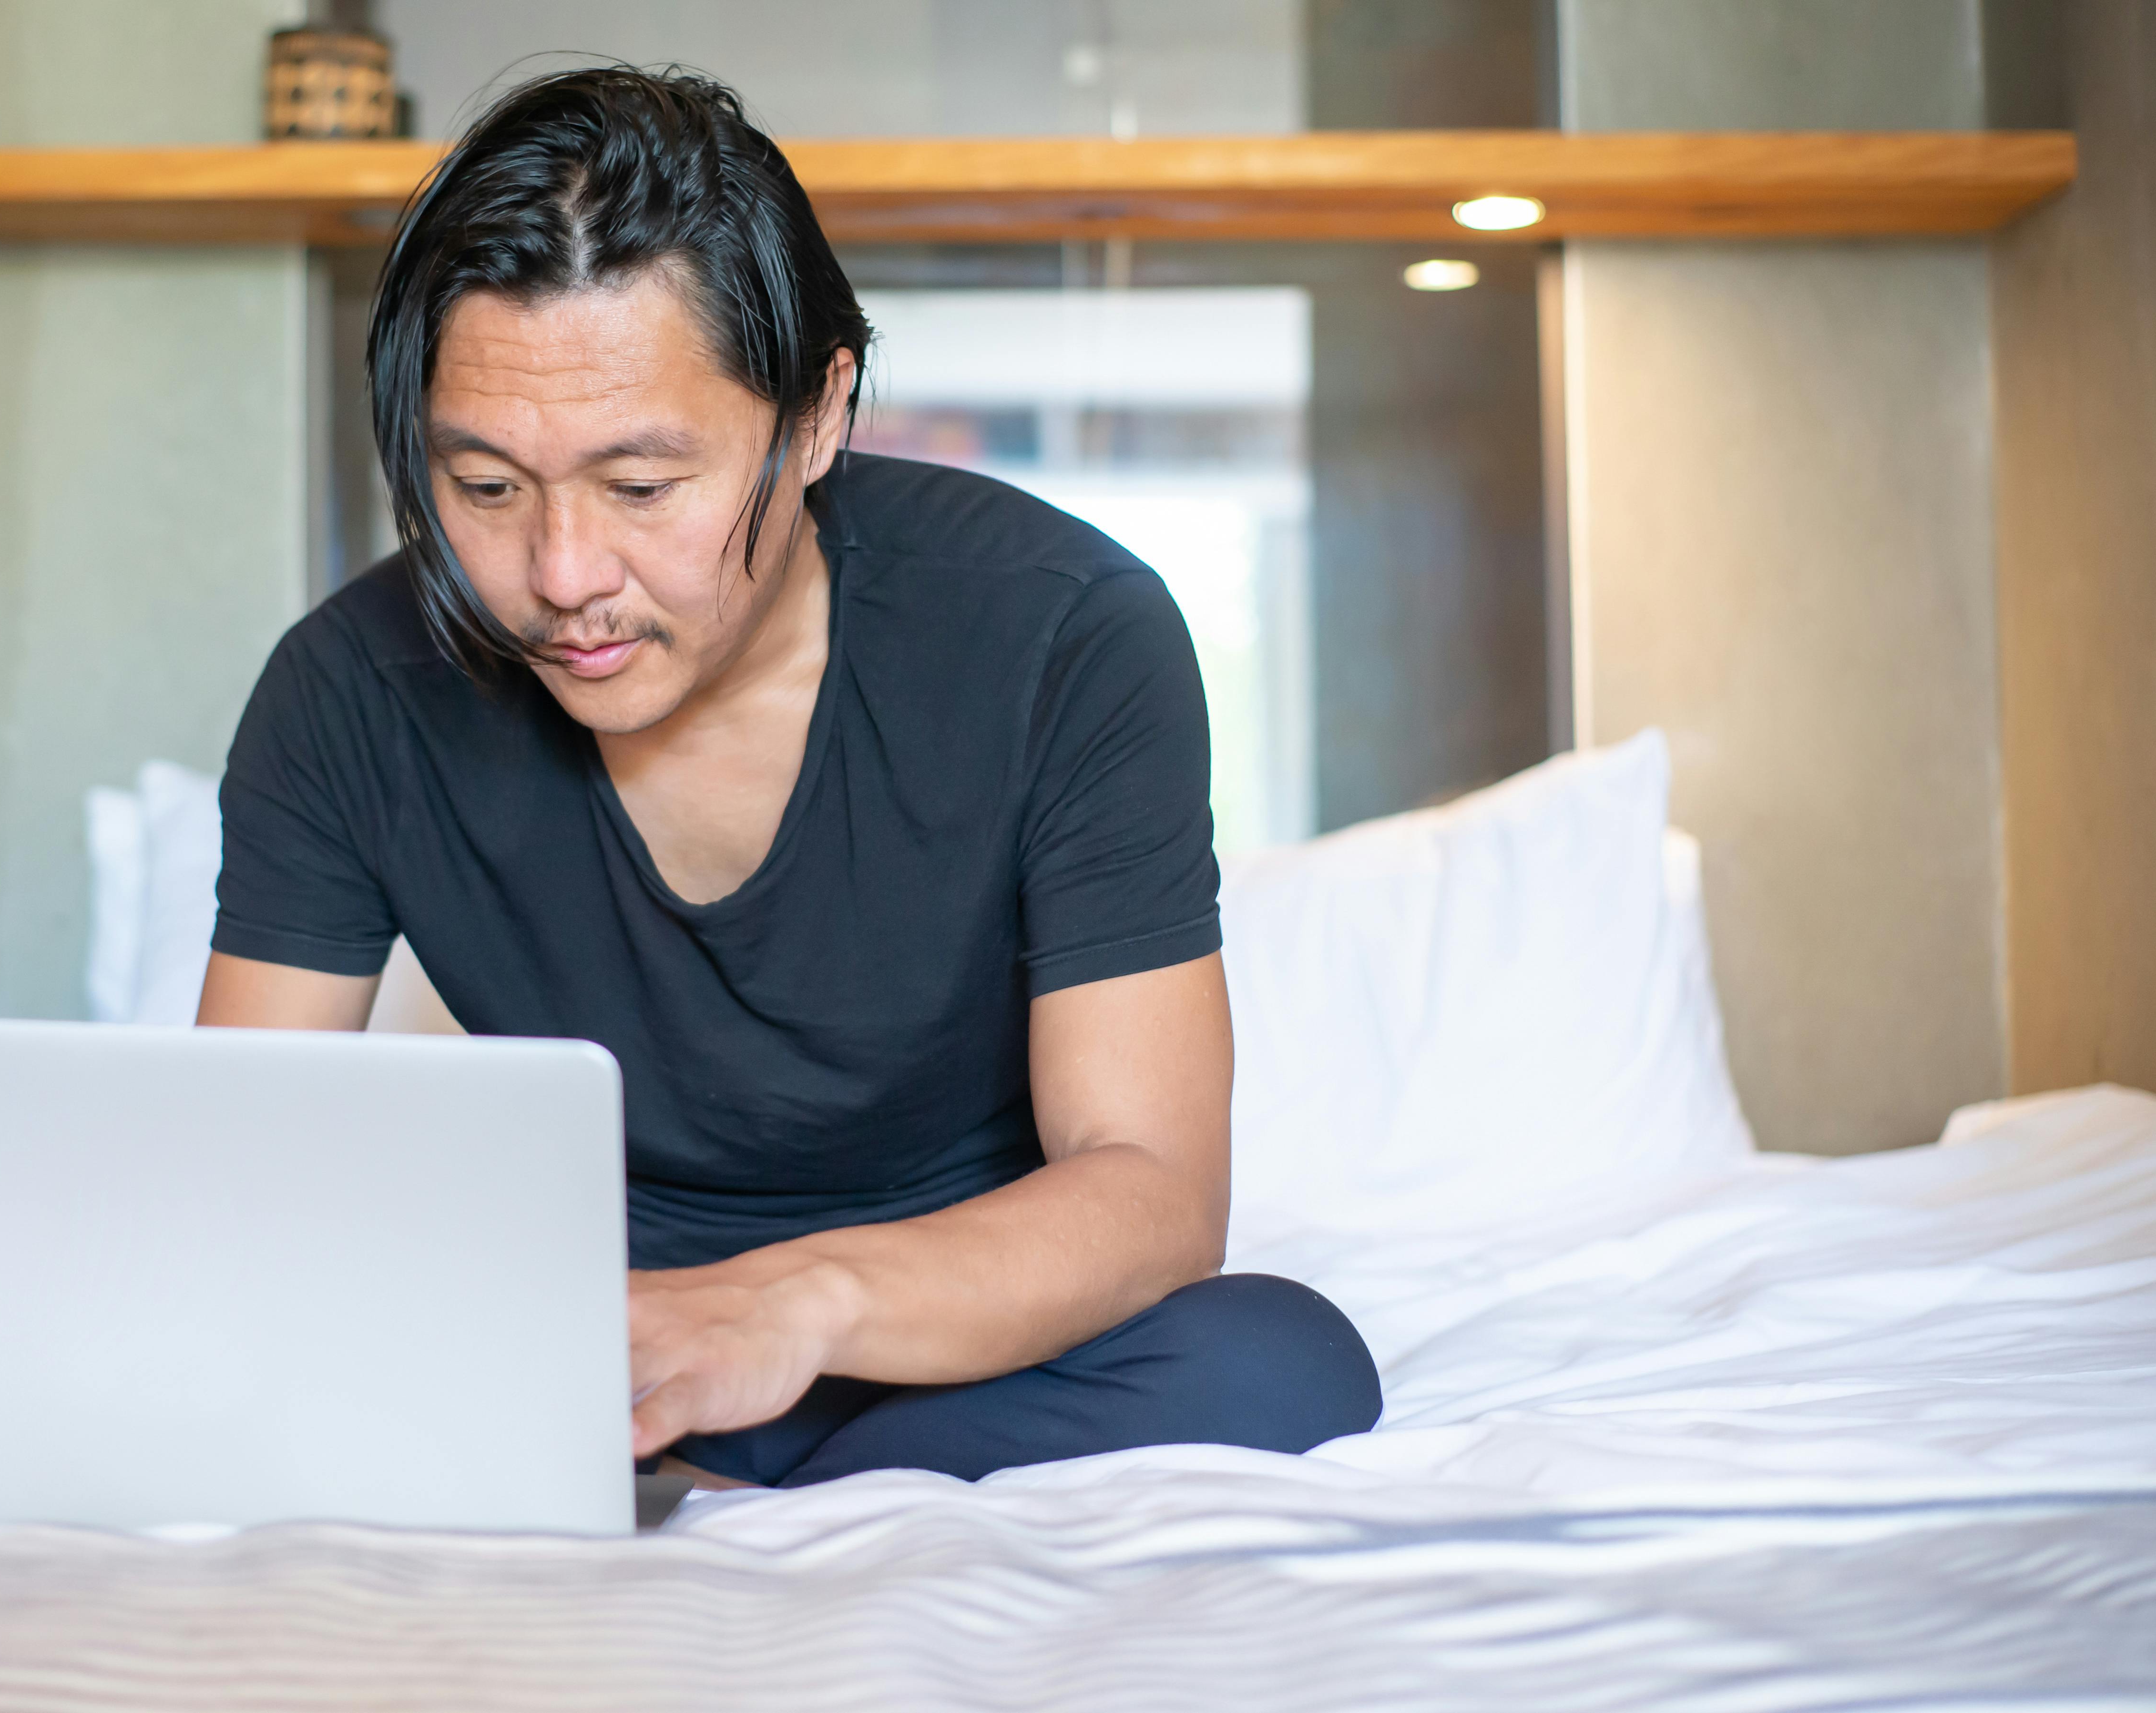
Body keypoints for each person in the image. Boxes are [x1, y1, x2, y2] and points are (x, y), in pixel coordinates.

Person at [196, 65, 1380, 1489]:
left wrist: (790, 1308)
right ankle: (767, 1486)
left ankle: (716, 1492)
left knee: (1278, 1362)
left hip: (964, 1322)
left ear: (819, 416)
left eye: (642, 489)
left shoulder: (1063, 635)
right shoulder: (349, 694)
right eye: (489, 489)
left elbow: (1154, 1192)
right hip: (601, 1334)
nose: (562, 575)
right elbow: (236, 1177)